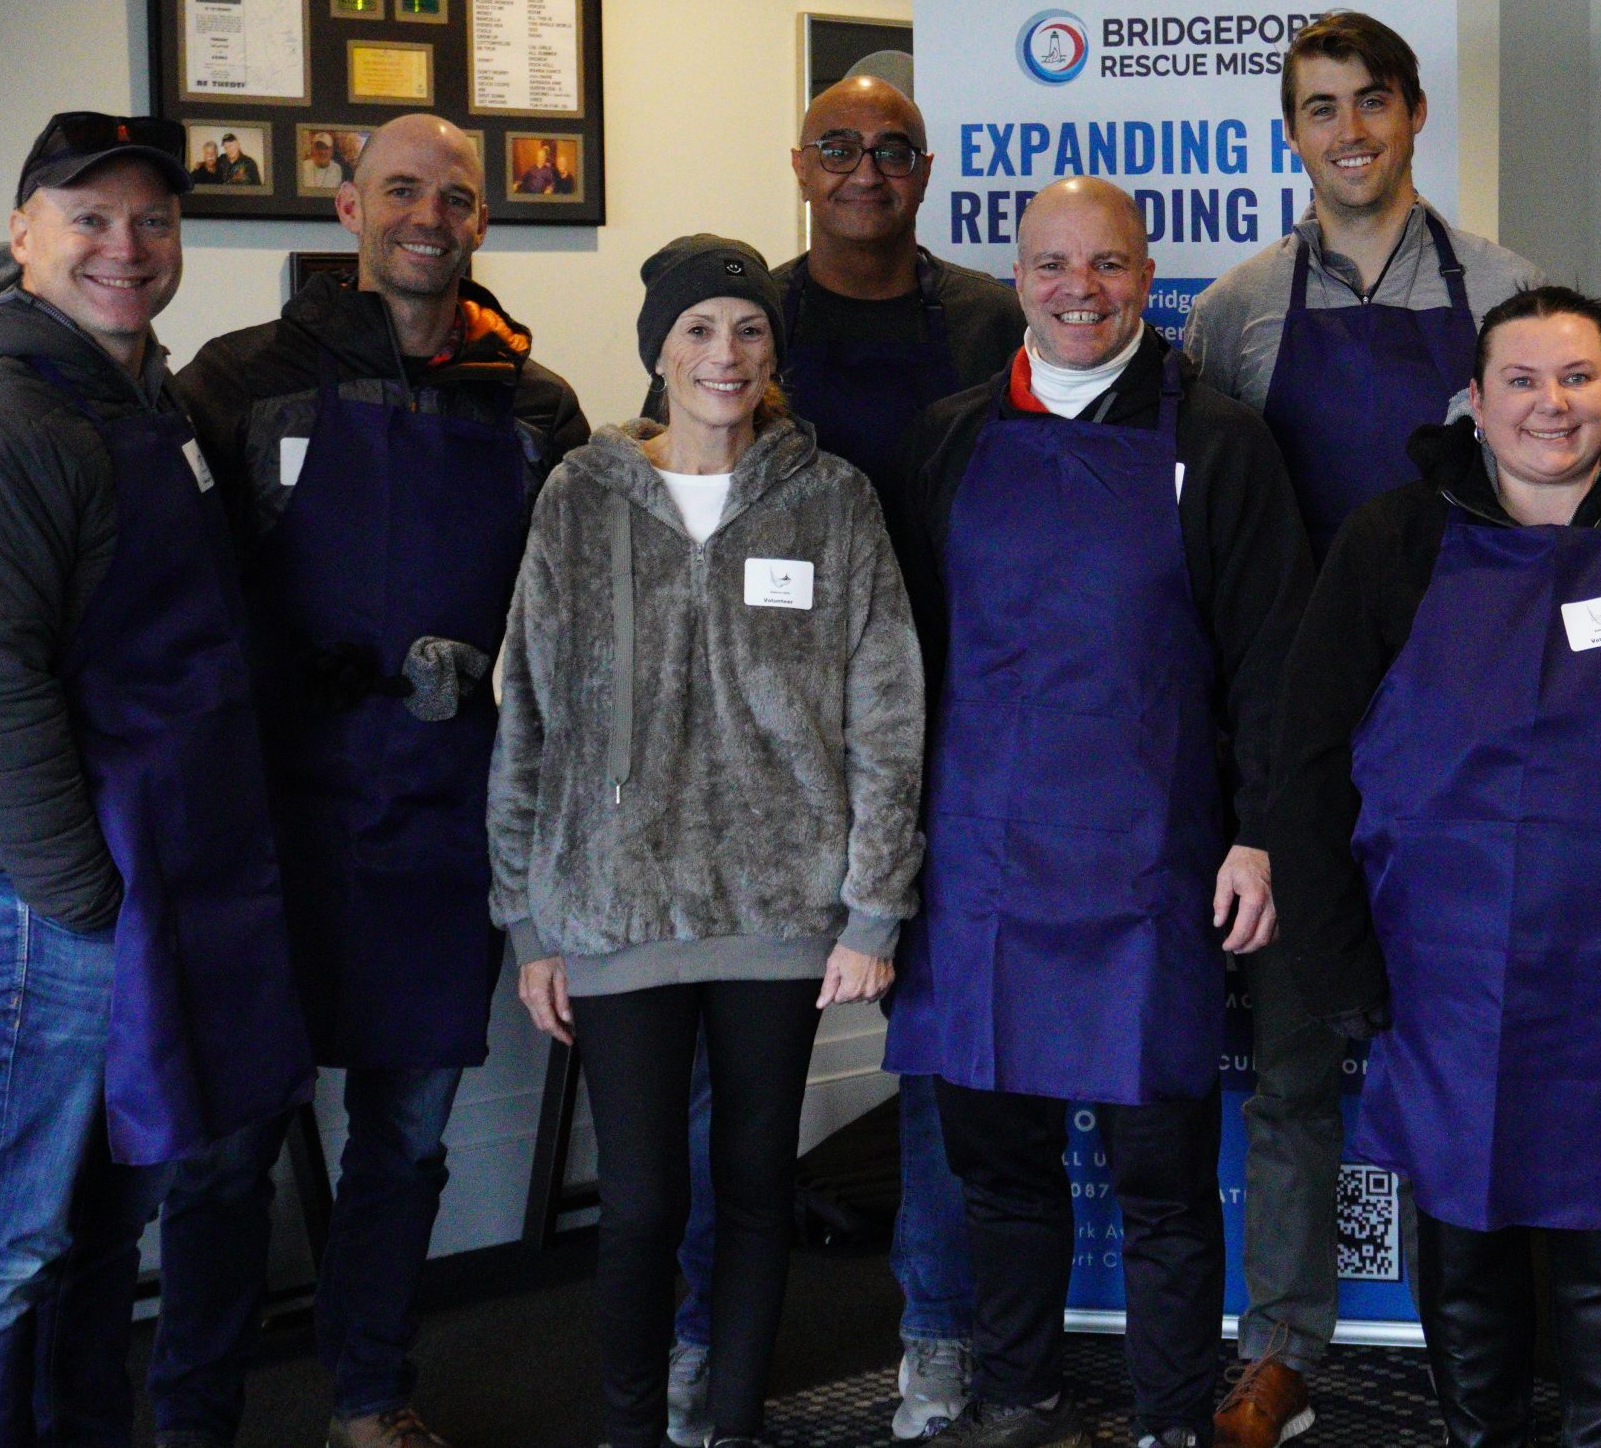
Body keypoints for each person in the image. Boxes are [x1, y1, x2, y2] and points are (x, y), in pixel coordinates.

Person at [1271, 288, 1601, 1448]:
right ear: (1473, 399)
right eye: (1520, 379)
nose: (1549, 405)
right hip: (1440, 987)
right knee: (1464, 1254)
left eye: (1577, 377)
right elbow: (1306, 766)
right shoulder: (1390, 542)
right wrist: (1337, 967)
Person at [0, 112, 314, 1447]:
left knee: (104, 1226)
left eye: (153, 220)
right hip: (42, 903)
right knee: (9, 1240)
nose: (127, 246)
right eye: (90, 218)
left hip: (149, 884)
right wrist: (85, 906)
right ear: (23, 234)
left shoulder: (150, 402)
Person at [152, 114, 587, 1448]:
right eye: (400, 190)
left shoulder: (533, 406)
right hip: (267, 822)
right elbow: (169, 593)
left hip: (441, 820)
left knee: (403, 1140)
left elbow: (573, 620)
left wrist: (491, 672)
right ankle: (192, 1418)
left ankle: (369, 1397)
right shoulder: (239, 380)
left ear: (481, 222)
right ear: (347, 209)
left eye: (454, 197)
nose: (427, 217)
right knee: (226, 1147)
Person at [886, 177, 1313, 1448]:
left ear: (1146, 276)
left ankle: (1170, 1421)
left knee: (1162, 1181)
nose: (1081, 290)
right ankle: (1018, 1399)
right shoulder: (948, 440)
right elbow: (897, 660)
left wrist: (1258, 836)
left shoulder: (1219, 442)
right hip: (978, 866)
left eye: (1109, 265)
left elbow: (1274, 663)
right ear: (1017, 279)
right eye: (1054, 265)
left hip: (1148, 865)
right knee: (998, 1171)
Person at [489, 234, 928, 1448]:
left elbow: (887, 712)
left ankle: (731, 1422)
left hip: (781, 914)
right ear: (658, 352)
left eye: (747, 330)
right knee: (638, 1205)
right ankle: (632, 1428)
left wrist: (874, 908)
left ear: (773, 353)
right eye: (697, 330)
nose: (724, 354)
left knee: (750, 1188)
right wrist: (527, 920)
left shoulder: (832, 500)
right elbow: (526, 714)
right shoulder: (581, 499)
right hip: (614, 910)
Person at [1180, 8, 1546, 1448]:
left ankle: (1487, 1354)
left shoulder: (1503, 288)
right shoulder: (1237, 310)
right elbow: (1210, 530)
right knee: (1286, 1063)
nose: (1350, 131)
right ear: (1292, 132)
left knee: (1471, 1052)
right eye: (1321, 107)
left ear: (1413, 115)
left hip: (1466, 725)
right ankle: (1281, 1348)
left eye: (1373, 101)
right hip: (1303, 732)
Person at [659, 74, 1023, 1445]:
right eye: (838, 147)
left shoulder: (990, 319)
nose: (865, 169)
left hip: (962, 730)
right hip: (769, 756)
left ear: (924, 170)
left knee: (939, 1062)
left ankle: (938, 1335)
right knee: (734, 1084)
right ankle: (701, 1339)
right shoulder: (749, 320)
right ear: (800, 166)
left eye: (891, 149)